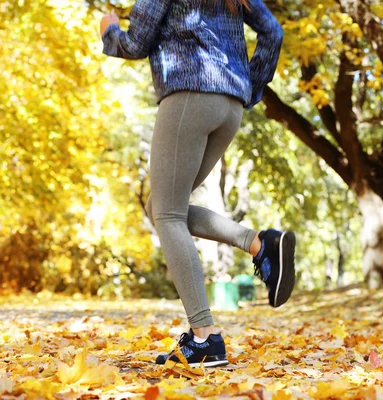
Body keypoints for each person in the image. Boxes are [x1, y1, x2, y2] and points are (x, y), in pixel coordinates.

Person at [100, 0, 295, 368]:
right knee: (161, 208)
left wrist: (110, 31)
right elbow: (273, 32)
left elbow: (136, 43)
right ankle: (259, 243)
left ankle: (204, 338)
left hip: (189, 94)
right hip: (229, 106)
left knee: (168, 214)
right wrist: (247, 87)